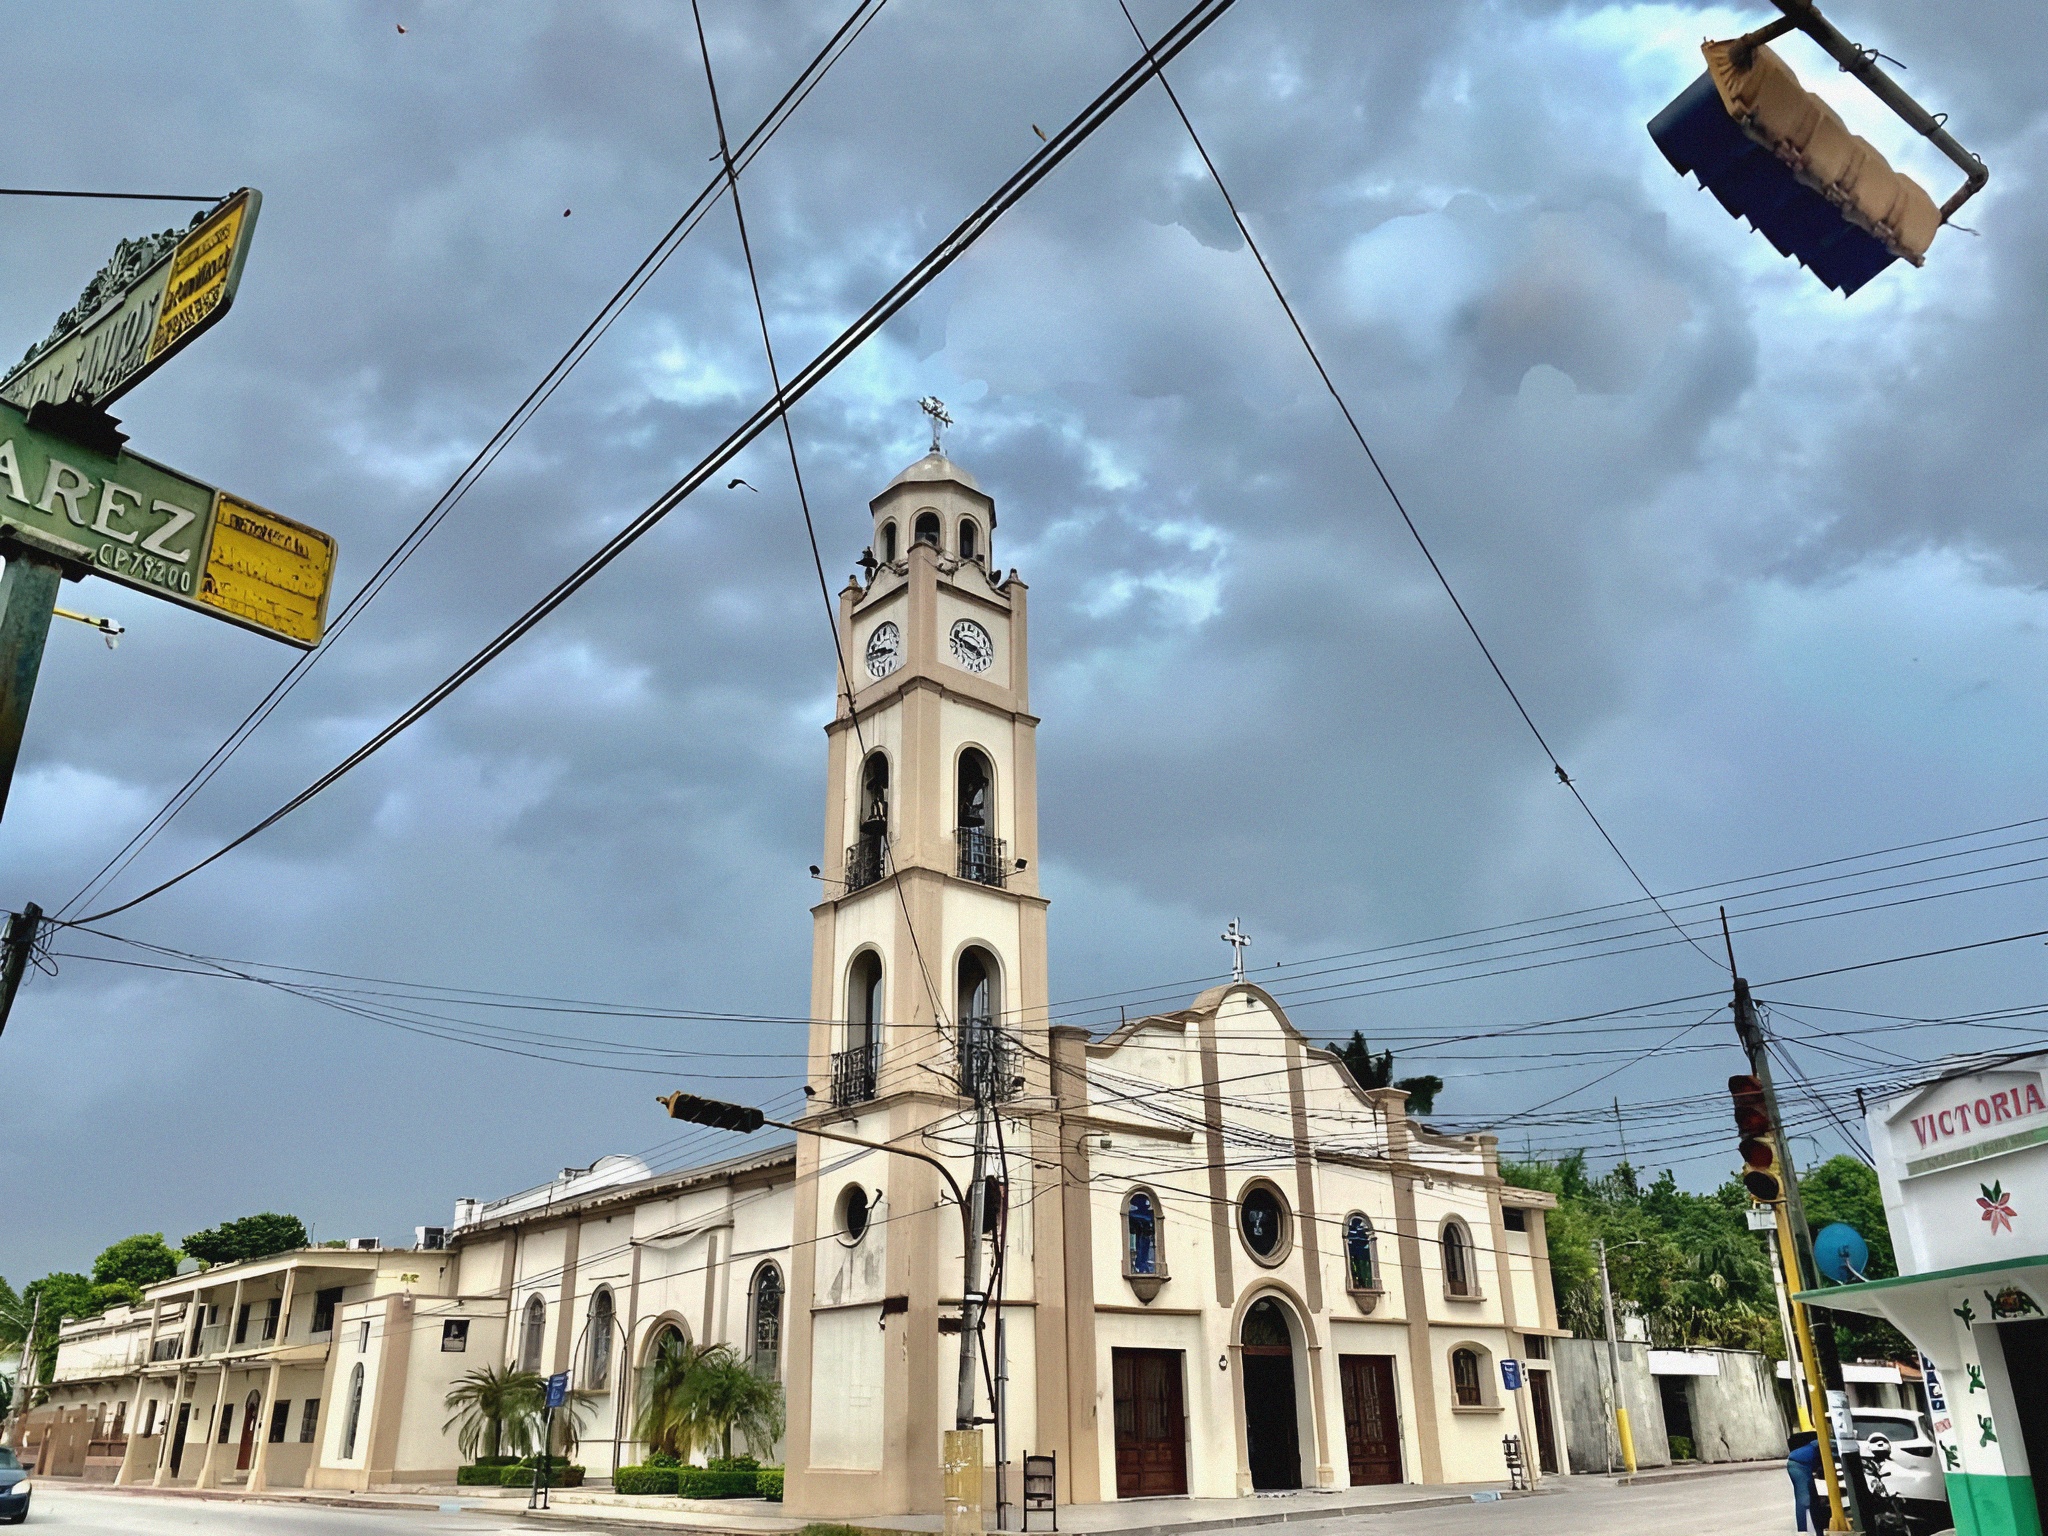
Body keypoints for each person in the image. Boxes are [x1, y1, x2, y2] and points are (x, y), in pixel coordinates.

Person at [1787, 1430, 1823, 1532]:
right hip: (1798, 1466)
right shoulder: (1823, 1444)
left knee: (1814, 1501)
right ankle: (1802, 1531)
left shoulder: (1820, 1443)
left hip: (1803, 1465)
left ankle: (1819, 1530)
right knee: (1803, 1499)